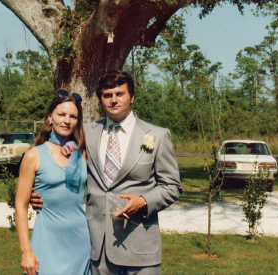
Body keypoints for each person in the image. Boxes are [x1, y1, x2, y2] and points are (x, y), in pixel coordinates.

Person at [31, 70, 182, 274]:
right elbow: (56, 162)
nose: (113, 100)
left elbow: (172, 186)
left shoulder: (157, 135)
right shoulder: (85, 133)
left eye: (119, 94)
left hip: (141, 250)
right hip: (97, 251)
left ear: (132, 97)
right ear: (101, 99)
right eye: (107, 95)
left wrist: (144, 202)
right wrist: (40, 193)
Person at [15, 90, 91, 274]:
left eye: (73, 116)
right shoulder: (34, 155)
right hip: (47, 244)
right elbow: (20, 205)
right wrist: (26, 251)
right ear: (50, 117)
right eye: (61, 114)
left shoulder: (82, 154)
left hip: (80, 244)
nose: (67, 120)